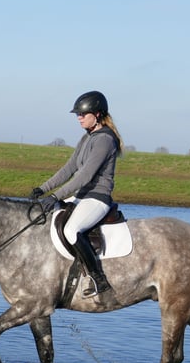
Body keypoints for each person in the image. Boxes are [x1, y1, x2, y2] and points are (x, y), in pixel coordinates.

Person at [30, 90, 123, 298]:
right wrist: (43, 189)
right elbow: (70, 168)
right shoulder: (87, 137)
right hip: (82, 196)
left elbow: (85, 176)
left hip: (97, 198)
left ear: (97, 114)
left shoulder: (105, 140)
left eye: (82, 114)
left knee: (72, 230)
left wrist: (56, 196)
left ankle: (98, 279)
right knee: (47, 216)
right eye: (78, 115)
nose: (79, 118)